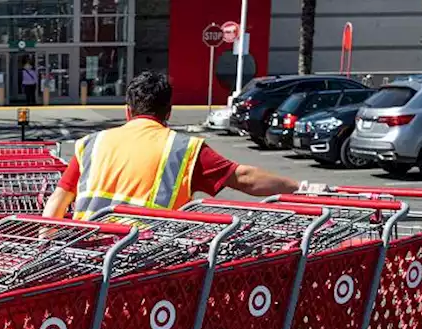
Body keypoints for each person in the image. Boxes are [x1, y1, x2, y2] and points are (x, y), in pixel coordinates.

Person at [43, 71, 307, 220]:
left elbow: (58, 199)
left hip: (89, 259)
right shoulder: (183, 149)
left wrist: (46, 245)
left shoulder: (92, 144)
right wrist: (301, 187)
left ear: (127, 111)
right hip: (147, 263)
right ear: (168, 112)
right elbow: (245, 178)